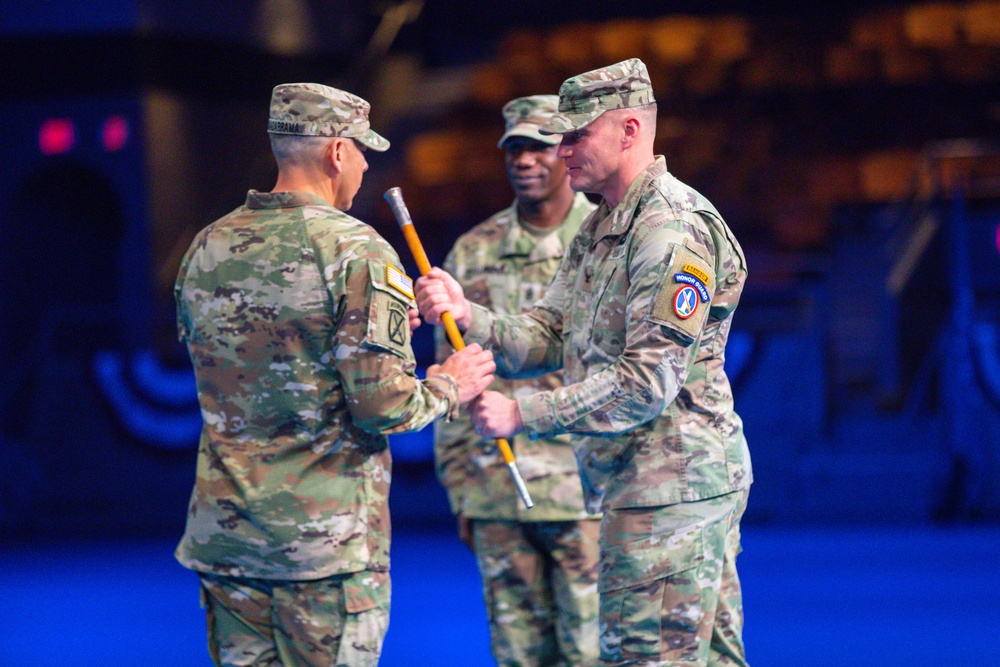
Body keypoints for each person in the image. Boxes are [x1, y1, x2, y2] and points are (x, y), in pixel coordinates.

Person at [416, 59, 752, 667]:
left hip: (669, 491)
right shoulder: (602, 225)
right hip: (643, 486)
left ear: (628, 129)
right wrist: (472, 316)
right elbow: (550, 333)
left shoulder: (669, 229)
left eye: (576, 134)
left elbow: (647, 381)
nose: (561, 150)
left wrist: (526, 413)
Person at [173, 82, 495, 667]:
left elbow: (244, 364)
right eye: (362, 149)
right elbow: (386, 406)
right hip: (323, 553)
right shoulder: (356, 251)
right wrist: (452, 381)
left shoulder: (205, 246)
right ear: (336, 154)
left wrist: (387, 335)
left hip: (228, 541)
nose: (368, 164)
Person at [434, 94, 601, 667]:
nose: (526, 160)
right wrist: (460, 488)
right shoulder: (473, 252)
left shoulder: (605, 242)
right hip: (497, 491)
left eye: (541, 147)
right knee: (518, 655)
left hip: (586, 492)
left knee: (591, 651)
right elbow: (449, 381)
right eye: (515, 149)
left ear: (569, 150)